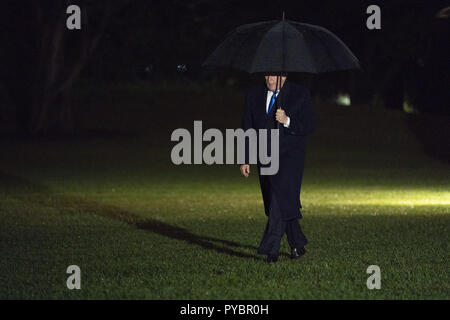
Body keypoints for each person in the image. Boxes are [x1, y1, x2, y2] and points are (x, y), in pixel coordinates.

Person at [240, 72, 316, 263]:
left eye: (274, 76)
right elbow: (247, 128)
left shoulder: (300, 94)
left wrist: (287, 120)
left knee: (277, 202)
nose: (269, 80)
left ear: (284, 75)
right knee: (278, 203)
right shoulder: (253, 95)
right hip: (265, 158)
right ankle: (297, 244)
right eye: (266, 75)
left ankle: (271, 250)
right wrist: (245, 157)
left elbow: (309, 125)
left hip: (290, 159)